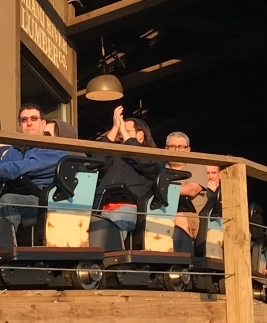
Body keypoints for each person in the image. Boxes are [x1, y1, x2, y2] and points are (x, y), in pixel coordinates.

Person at [0, 103, 68, 236]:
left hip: (42, 202)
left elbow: (27, 166)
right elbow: (0, 166)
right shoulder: (15, 149)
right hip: (8, 195)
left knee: (9, 201)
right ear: (19, 125)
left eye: (34, 118)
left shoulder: (53, 148)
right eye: (24, 120)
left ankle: (5, 246)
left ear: (43, 123)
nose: (29, 123)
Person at [93, 106, 162, 241]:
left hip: (129, 207)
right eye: (120, 131)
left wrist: (127, 138)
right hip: (101, 206)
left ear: (140, 135)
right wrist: (114, 128)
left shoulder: (154, 156)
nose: (121, 134)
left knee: (111, 225)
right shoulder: (115, 155)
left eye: (125, 131)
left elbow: (145, 163)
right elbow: (96, 161)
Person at [165, 130, 221, 253]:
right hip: (163, 211)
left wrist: (163, 189)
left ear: (188, 149)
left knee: (178, 217)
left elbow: (192, 190)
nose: (177, 150)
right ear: (166, 149)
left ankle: (184, 261)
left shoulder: (198, 166)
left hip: (193, 215)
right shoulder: (161, 168)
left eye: (181, 147)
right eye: (173, 146)